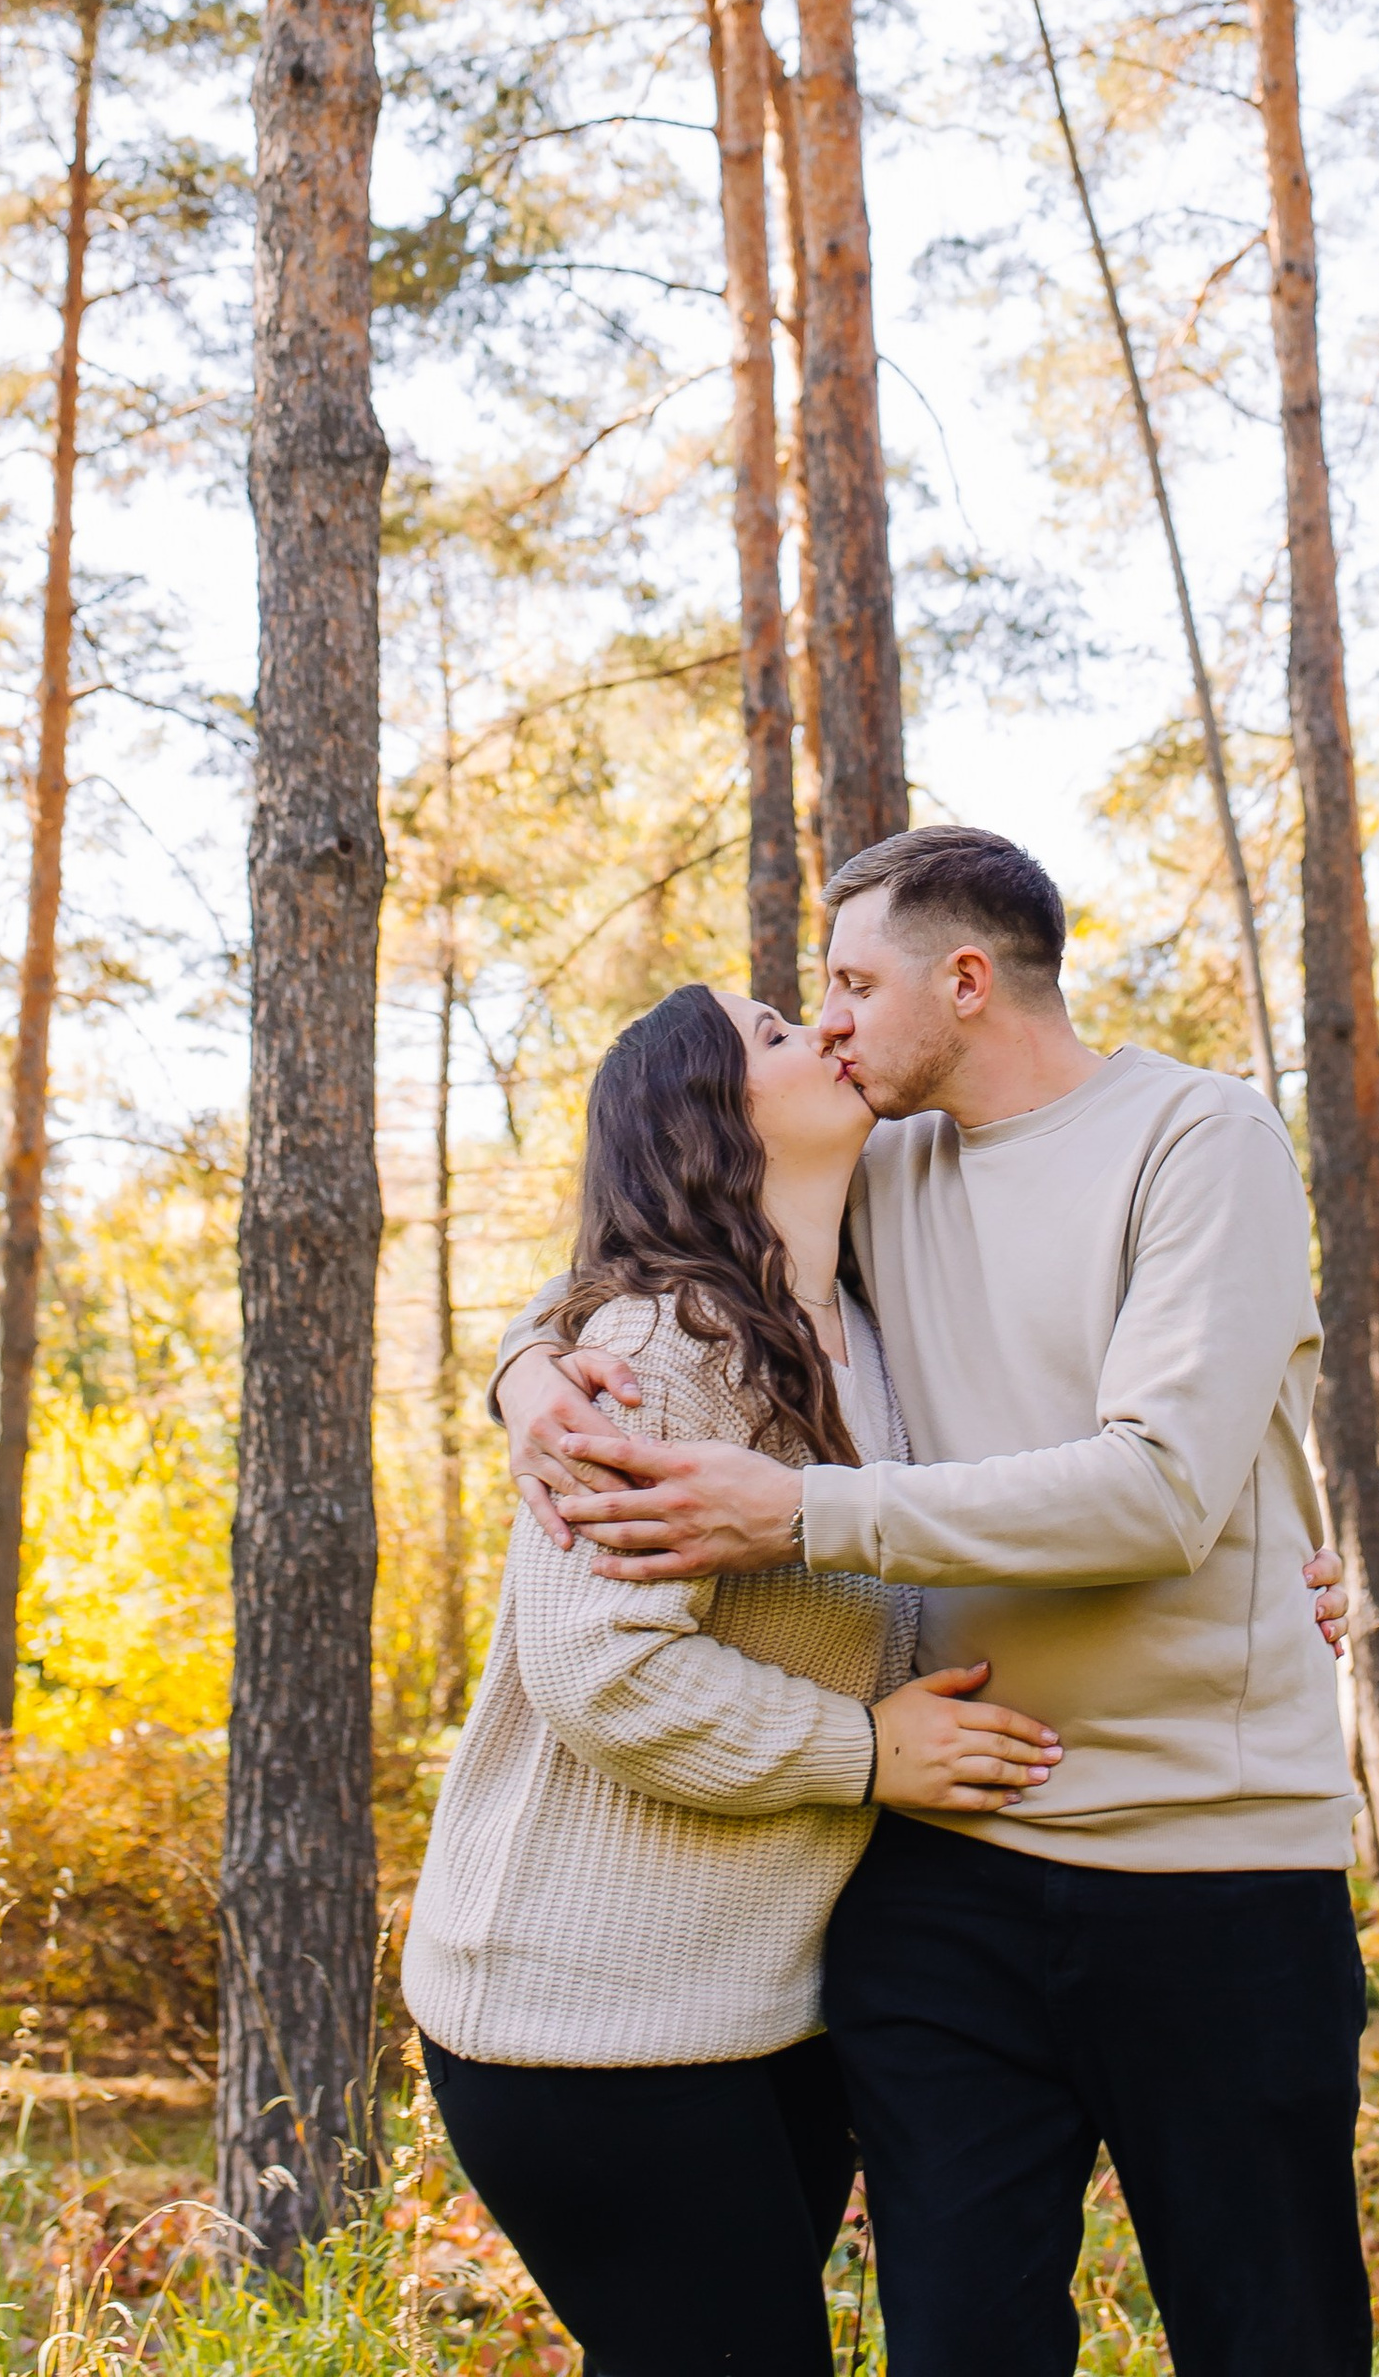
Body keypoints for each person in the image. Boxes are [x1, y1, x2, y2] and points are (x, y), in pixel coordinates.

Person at [500, 823, 1373, 2377]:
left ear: (966, 980)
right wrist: (525, 1377)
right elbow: (659, 1247)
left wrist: (799, 1514)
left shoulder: (1200, 1137)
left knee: (1272, 2340)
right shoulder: (878, 1166)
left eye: (851, 984)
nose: (827, 1022)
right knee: (960, 2346)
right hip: (944, 1871)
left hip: (1212, 1864)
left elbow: (1161, 1492)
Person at [402, 975, 1066, 2377]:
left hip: (758, 2007)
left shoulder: (868, 1321)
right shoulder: (661, 1349)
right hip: (578, 2020)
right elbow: (604, 1673)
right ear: (705, 1120)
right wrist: (868, 1753)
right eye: (771, 1032)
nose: (821, 1028)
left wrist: (1270, 1565)